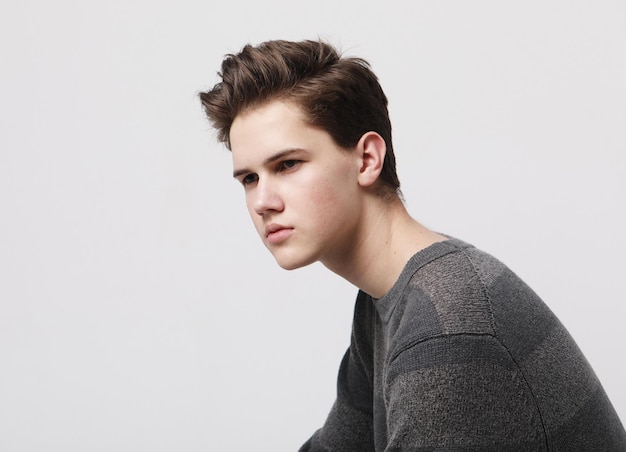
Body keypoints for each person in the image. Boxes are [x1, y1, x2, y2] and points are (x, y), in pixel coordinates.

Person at [199, 39, 626, 451]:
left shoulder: (447, 330)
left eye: (287, 164)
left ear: (367, 159)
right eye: (249, 179)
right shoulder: (388, 301)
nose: (262, 202)